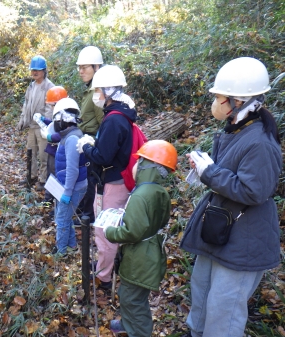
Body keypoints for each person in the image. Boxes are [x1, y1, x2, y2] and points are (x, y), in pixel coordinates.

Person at [180, 57, 282, 337]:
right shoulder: (238, 130)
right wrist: (206, 166)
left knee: (223, 315)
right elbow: (233, 173)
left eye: (220, 97)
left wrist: (209, 172)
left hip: (244, 240)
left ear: (237, 101)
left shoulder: (259, 141)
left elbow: (254, 190)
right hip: (221, 231)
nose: (216, 102)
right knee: (201, 294)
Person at [77, 65, 147, 289]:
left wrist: (87, 148)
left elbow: (103, 156)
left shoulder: (113, 120)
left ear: (108, 91)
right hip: (118, 180)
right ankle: (105, 266)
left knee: (105, 231)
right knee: (111, 227)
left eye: (98, 90)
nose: (96, 95)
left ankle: (103, 277)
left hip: (113, 183)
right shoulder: (122, 115)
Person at [104, 140, 178, 337]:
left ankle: (139, 331)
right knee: (133, 296)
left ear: (149, 167)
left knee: (131, 299)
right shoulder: (159, 192)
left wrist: (110, 232)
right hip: (150, 252)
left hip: (139, 258)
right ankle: (128, 326)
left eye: (140, 161)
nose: (135, 166)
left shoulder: (140, 195)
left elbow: (132, 232)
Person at [51, 98, 88, 256]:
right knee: (65, 216)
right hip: (68, 185)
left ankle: (61, 252)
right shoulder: (68, 135)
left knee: (62, 220)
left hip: (73, 186)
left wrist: (67, 192)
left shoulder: (72, 139)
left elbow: (72, 169)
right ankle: (71, 245)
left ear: (63, 119)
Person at [17, 55, 55, 191]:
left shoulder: (50, 87)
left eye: (37, 70)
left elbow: (50, 108)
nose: (34, 72)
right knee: (30, 153)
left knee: (43, 155)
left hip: (43, 127)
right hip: (31, 126)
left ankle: (43, 179)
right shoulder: (31, 86)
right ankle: (31, 176)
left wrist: (46, 125)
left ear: (44, 71)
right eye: (33, 70)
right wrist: (23, 120)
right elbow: (26, 104)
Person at [76, 46, 105, 223]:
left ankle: (87, 217)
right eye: (79, 67)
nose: (81, 71)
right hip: (85, 142)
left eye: (85, 67)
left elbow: (103, 122)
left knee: (91, 181)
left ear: (96, 68)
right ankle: (83, 212)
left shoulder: (98, 92)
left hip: (92, 143)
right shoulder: (90, 90)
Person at [36, 86, 69, 204]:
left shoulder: (68, 116)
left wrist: (49, 137)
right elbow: (54, 125)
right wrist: (43, 119)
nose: (51, 107)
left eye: (52, 105)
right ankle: (48, 200)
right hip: (53, 150)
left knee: (57, 177)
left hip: (60, 152)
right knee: (51, 176)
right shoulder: (58, 114)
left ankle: (55, 202)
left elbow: (65, 133)